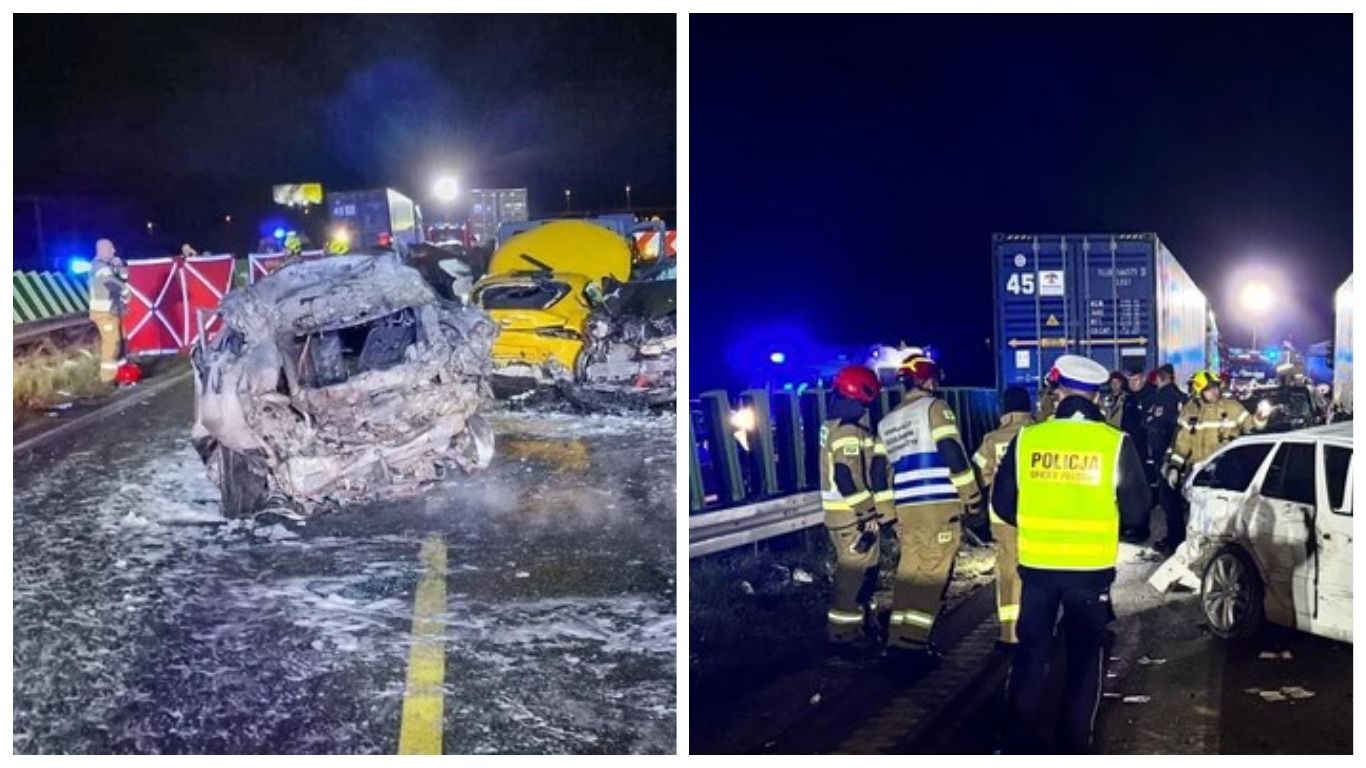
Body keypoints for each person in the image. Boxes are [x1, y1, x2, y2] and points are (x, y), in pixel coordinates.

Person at [991, 355, 1150, 753]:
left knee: (1030, 656)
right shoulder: (1114, 442)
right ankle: (1074, 747)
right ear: (1096, 395)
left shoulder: (1027, 439)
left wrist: (1040, 522)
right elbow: (1137, 510)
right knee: (1083, 661)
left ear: (1056, 390)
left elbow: (1003, 503)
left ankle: (1014, 744)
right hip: (1090, 572)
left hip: (1038, 570)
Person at [877, 354, 985, 658]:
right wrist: (971, 496)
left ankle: (897, 637)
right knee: (933, 574)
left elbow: (878, 472)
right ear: (927, 380)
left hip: (906, 509)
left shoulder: (887, 421)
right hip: (937, 505)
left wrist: (888, 514)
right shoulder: (935, 408)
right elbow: (951, 450)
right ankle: (913, 646)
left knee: (910, 572)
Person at [820, 365, 895, 650]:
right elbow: (845, 476)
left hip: (848, 516)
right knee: (852, 574)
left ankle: (859, 626)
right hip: (852, 517)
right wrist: (866, 512)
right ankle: (843, 635)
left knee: (865, 572)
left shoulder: (838, 425)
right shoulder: (847, 430)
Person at [1158, 369, 1266, 550]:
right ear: (1198, 392)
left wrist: (1260, 418)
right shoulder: (1189, 411)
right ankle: (1195, 550)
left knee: (1223, 518)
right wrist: (1175, 467)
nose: (1214, 392)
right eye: (1209, 389)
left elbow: (1251, 427)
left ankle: (1223, 550)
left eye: (1216, 388)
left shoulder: (1232, 407)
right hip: (1198, 473)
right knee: (1197, 517)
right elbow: (1182, 443)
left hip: (1227, 473)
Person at [972, 386, 1033, 647]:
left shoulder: (992, 439)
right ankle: (1036, 626)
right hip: (1036, 514)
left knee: (1008, 572)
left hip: (1002, 516)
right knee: (1035, 571)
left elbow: (978, 472)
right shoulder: (1037, 434)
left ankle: (1009, 633)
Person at [87, 238, 129, 384]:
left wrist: (120, 264)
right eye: (111, 248)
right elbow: (111, 281)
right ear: (102, 250)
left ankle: (123, 374)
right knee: (112, 343)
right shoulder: (98, 266)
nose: (114, 250)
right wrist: (125, 291)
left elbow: (124, 277)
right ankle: (108, 379)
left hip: (114, 311)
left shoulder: (108, 265)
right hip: (104, 313)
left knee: (121, 342)